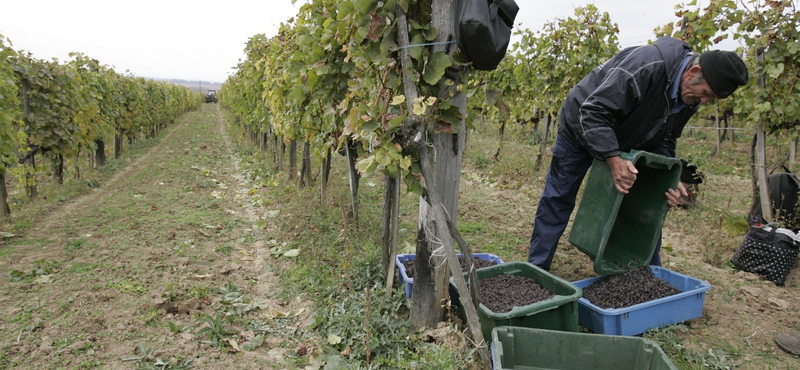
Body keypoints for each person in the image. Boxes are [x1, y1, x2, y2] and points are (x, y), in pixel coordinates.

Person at [528, 36, 749, 271]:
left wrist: (667, 179)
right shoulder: (647, 66)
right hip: (580, 127)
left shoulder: (690, 96)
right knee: (559, 198)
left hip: (627, 137)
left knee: (645, 202)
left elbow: (666, 136)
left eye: (711, 98)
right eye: (705, 93)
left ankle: (643, 273)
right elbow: (594, 111)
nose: (703, 101)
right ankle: (537, 269)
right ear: (693, 71)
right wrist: (613, 158)